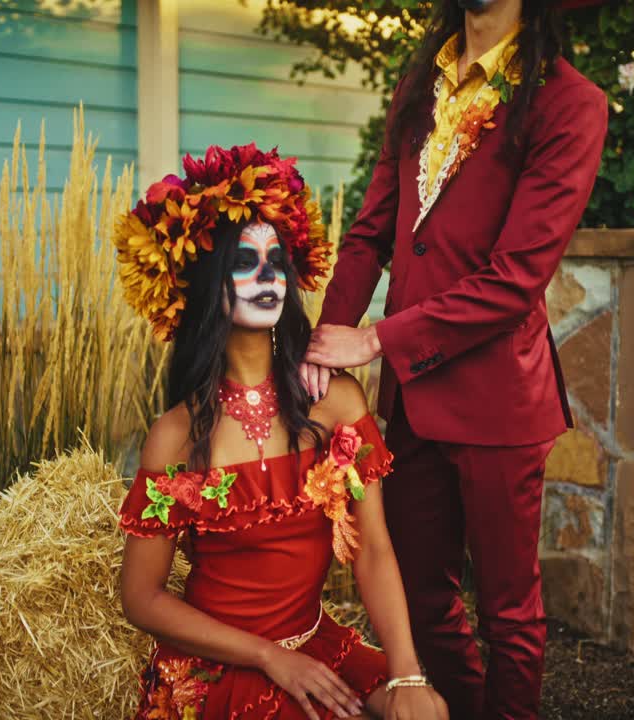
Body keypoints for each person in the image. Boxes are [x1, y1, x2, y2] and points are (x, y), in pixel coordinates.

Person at [301, 1, 608, 718]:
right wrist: (323, 344)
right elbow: (372, 231)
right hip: (409, 399)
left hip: (499, 400)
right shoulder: (419, 86)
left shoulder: (570, 103)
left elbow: (514, 281)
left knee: (509, 613)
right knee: (421, 593)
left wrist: (376, 338)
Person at [115, 144, 449, 720]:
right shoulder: (174, 435)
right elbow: (140, 598)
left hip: (316, 645)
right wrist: (270, 658)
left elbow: (373, 549)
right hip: (218, 667)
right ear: (206, 283)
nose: (268, 276)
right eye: (245, 262)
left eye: (276, 261)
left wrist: (407, 674)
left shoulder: (336, 403)